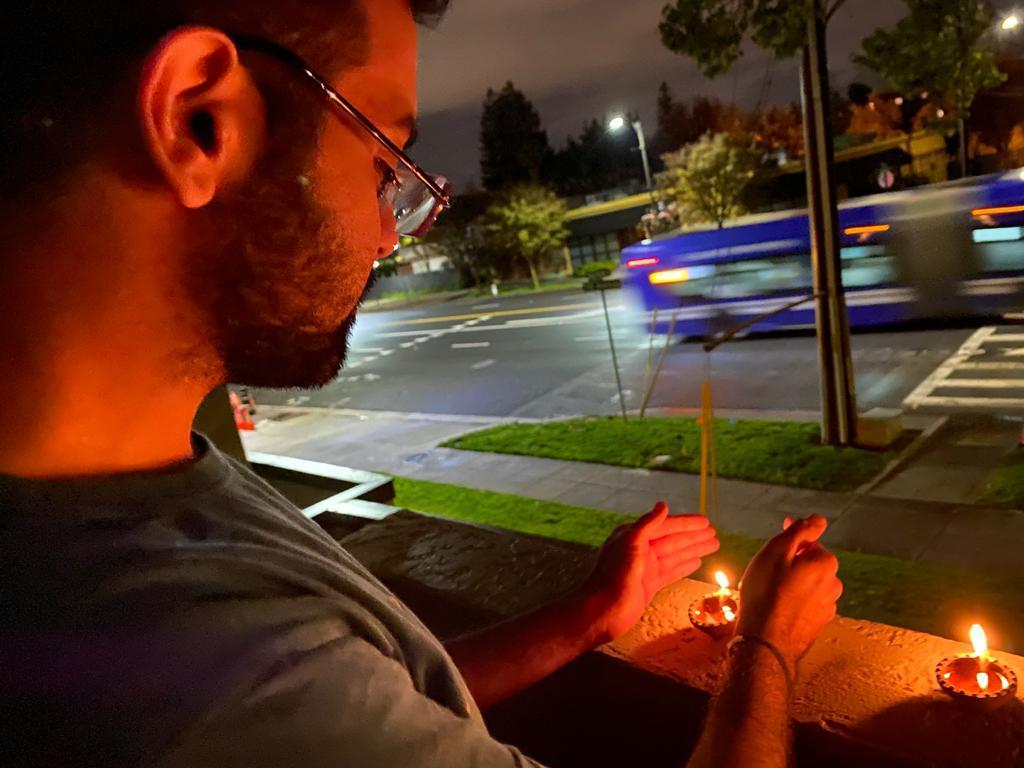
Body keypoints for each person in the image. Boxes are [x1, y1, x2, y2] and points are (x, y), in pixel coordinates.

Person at [0, 1, 842, 766]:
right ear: (200, 119)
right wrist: (766, 647)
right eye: (381, 163)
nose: (385, 235)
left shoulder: (129, 504)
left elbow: (361, 701)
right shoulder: (190, 672)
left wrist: (586, 615)